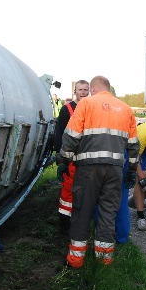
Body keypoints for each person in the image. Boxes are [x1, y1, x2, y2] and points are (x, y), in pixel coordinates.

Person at [57, 76, 139, 268]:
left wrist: (64, 160)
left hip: (88, 170)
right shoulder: (125, 109)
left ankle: (76, 260)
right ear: (108, 89)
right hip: (115, 171)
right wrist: (133, 169)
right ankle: (104, 260)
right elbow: (134, 145)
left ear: (93, 89)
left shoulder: (86, 104)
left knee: (82, 211)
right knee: (108, 212)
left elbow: (71, 136)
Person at [54, 80, 90, 231]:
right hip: (70, 158)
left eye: (85, 89)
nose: (83, 92)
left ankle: (81, 222)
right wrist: (59, 157)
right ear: (75, 91)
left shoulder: (91, 108)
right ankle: (64, 225)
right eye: (80, 89)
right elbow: (59, 132)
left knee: (85, 191)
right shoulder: (66, 109)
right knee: (68, 192)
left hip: (87, 157)